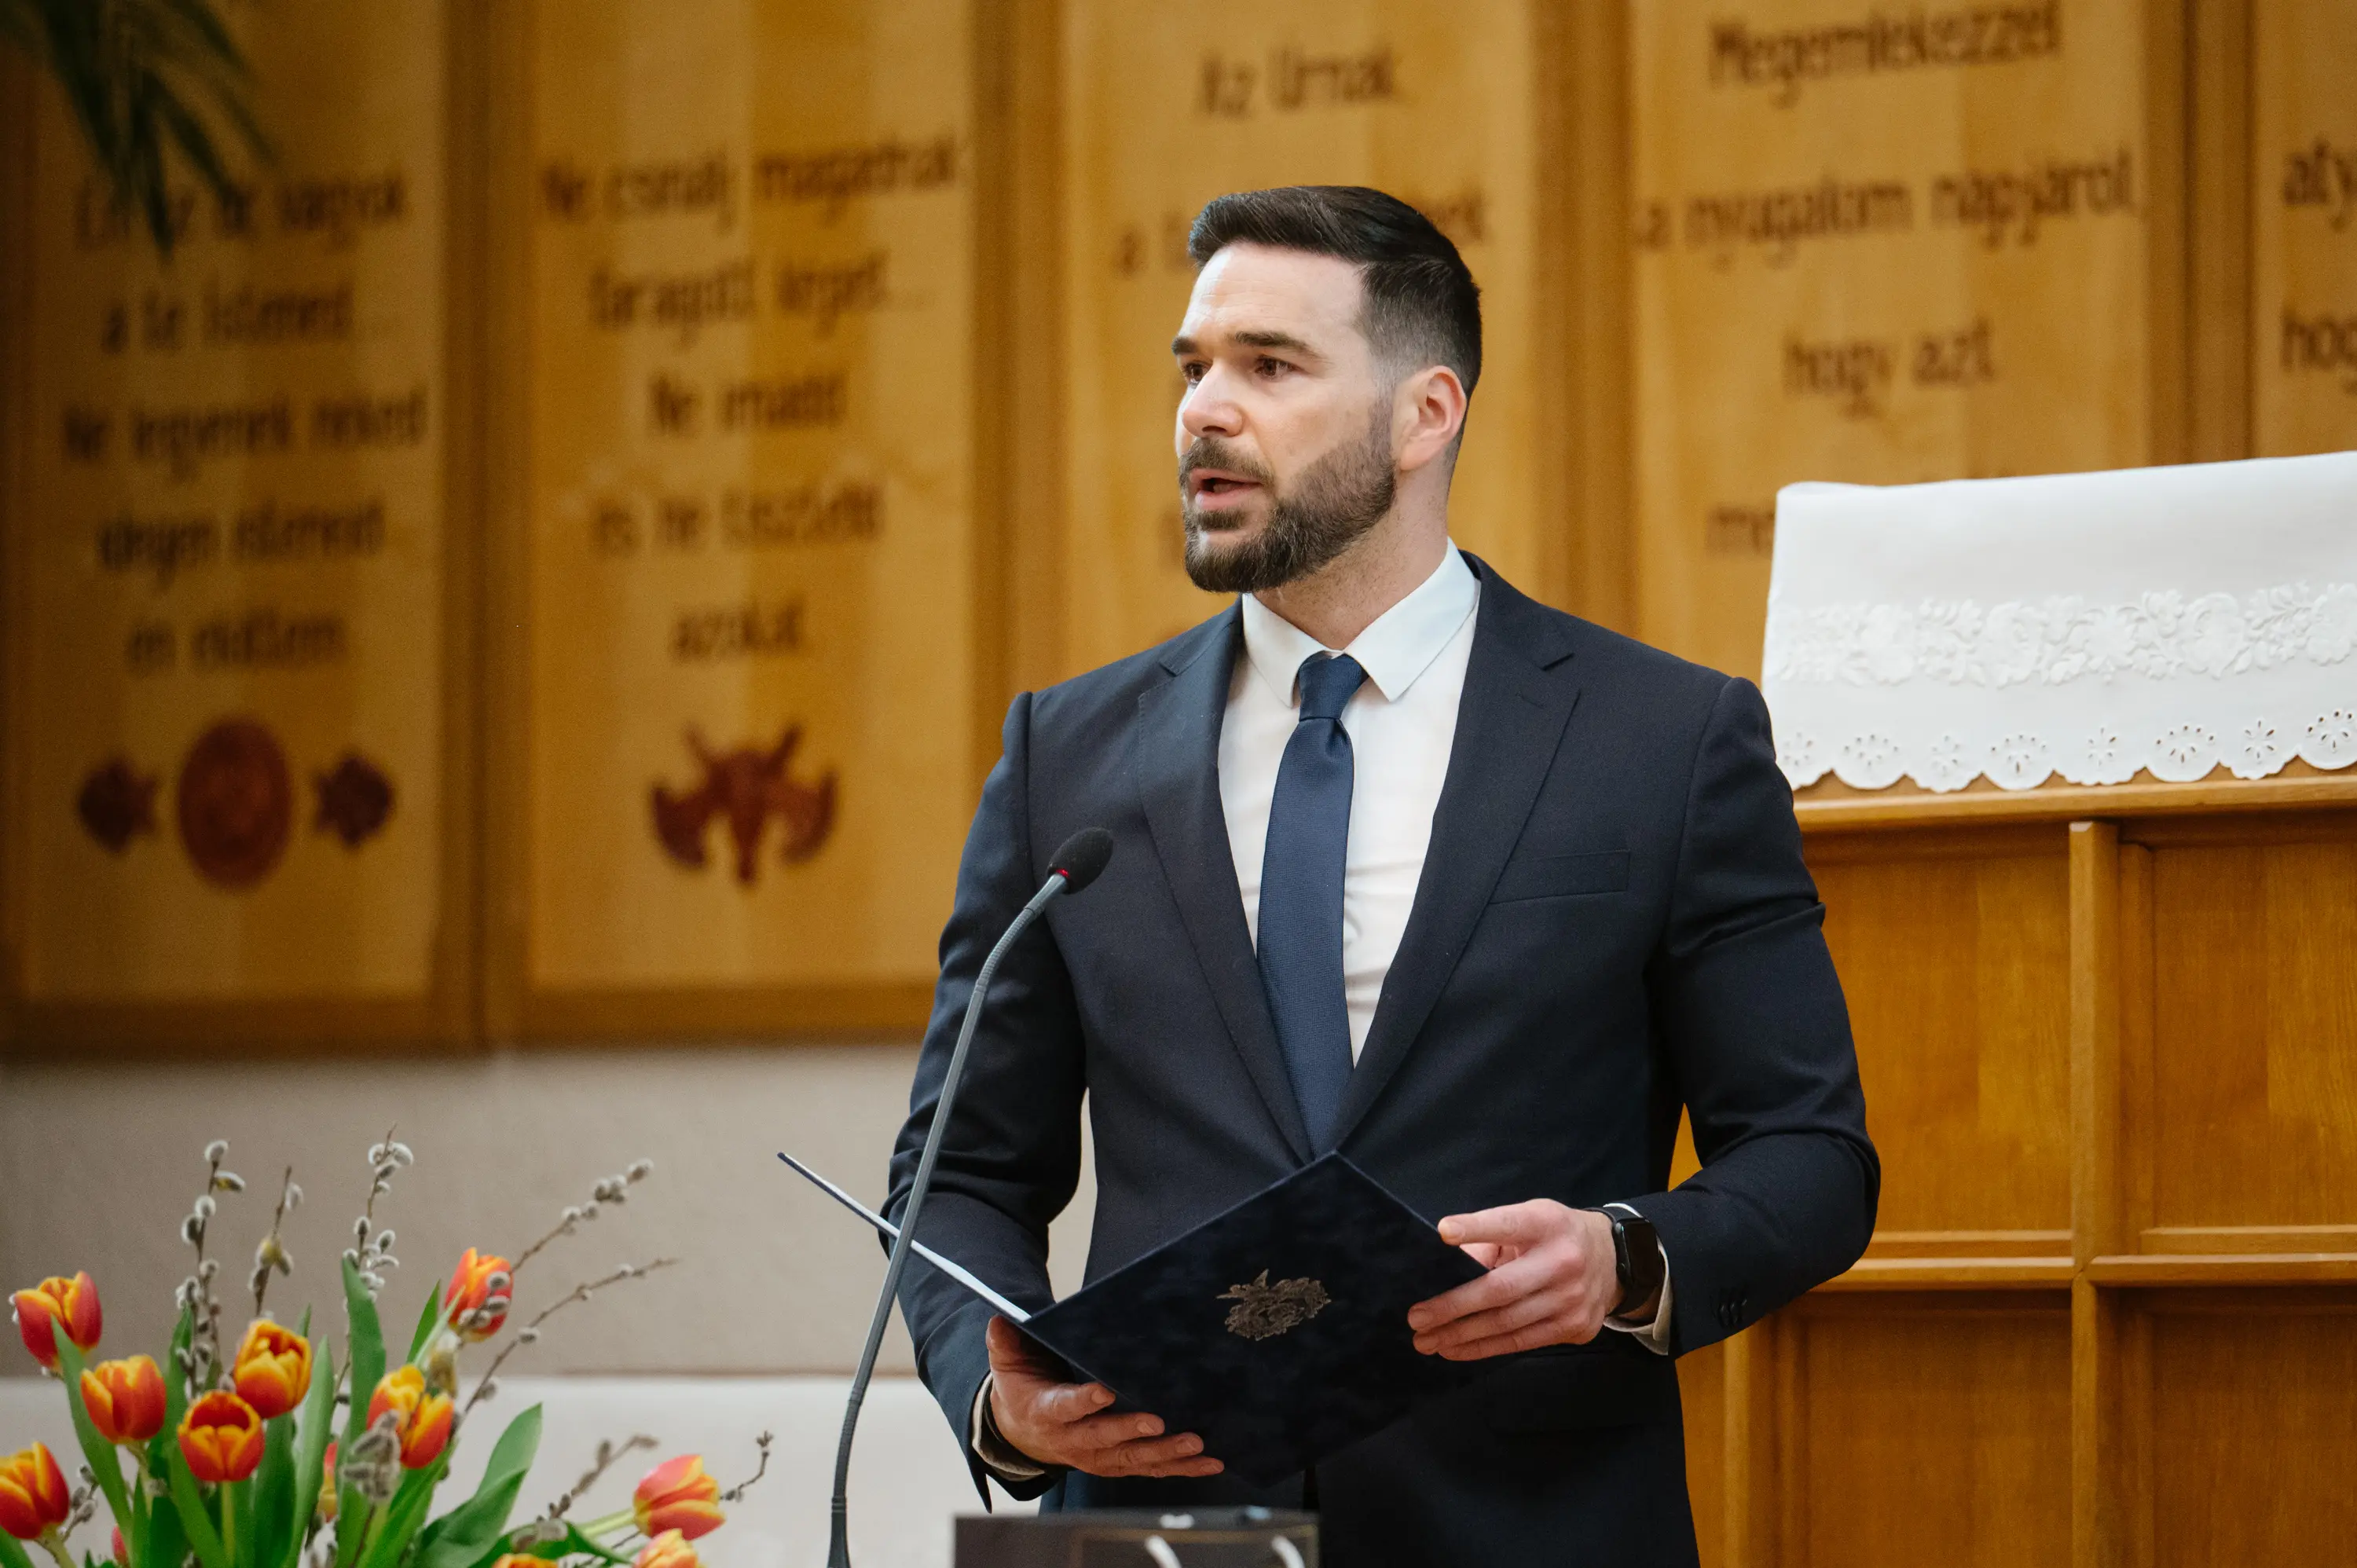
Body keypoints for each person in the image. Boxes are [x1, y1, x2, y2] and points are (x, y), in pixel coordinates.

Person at [886, 185, 1875, 1566]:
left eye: (1270, 366)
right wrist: (1003, 1403)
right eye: (1194, 367)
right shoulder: (1068, 754)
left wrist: (1625, 1258)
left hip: (1527, 1527)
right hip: (1157, 1530)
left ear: (1426, 414)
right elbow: (959, 1173)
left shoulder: (1665, 740)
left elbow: (1813, 1157)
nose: (1204, 411)